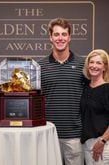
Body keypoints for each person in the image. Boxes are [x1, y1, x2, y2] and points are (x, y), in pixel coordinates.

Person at [38, 17, 85, 165]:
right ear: (50, 38)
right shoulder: (39, 66)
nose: (60, 38)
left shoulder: (82, 64)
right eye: (56, 35)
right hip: (48, 134)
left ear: (69, 37)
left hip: (75, 135)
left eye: (64, 34)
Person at [80, 49, 109, 165]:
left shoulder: (107, 89)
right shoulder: (86, 87)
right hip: (86, 142)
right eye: (91, 62)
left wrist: (102, 141)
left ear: (105, 67)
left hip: (103, 143)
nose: (94, 66)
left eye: (99, 63)